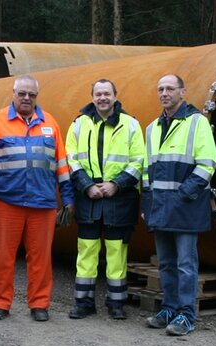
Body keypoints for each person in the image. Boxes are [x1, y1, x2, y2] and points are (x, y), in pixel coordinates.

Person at [0, 75, 75, 322]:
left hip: (42, 203)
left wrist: (69, 197)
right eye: (22, 94)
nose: (27, 98)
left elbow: (61, 164)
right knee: (3, 257)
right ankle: (0, 303)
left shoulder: (50, 124)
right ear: (14, 93)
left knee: (41, 258)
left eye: (31, 95)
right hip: (5, 202)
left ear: (36, 96)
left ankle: (39, 304)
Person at [141, 74, 216, 336]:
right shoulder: (152, 128)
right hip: (160, 208)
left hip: (185, 207)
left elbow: (208, 164)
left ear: (182, 92)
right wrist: (147, 201)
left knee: (186, 263)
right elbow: (146, 170)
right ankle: (168, 309)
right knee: (165, 263)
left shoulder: (197, 123)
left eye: (170, 89)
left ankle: (186, 315)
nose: (164, 93)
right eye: (160, 88)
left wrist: (182, 195)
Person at [65, 79, 146, 321]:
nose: (103, 98)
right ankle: (84, 302)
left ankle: (116, 303)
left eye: (107, 94)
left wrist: (116, 184)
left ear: (115, 96)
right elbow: (71, 158)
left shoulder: (130, 124)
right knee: (86, 250)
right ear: (92, 97)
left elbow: (139, 161)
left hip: (119, 199)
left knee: (116, 252)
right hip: (88, 197)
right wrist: (86, 186)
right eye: (98, 94)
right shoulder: (78, 124)